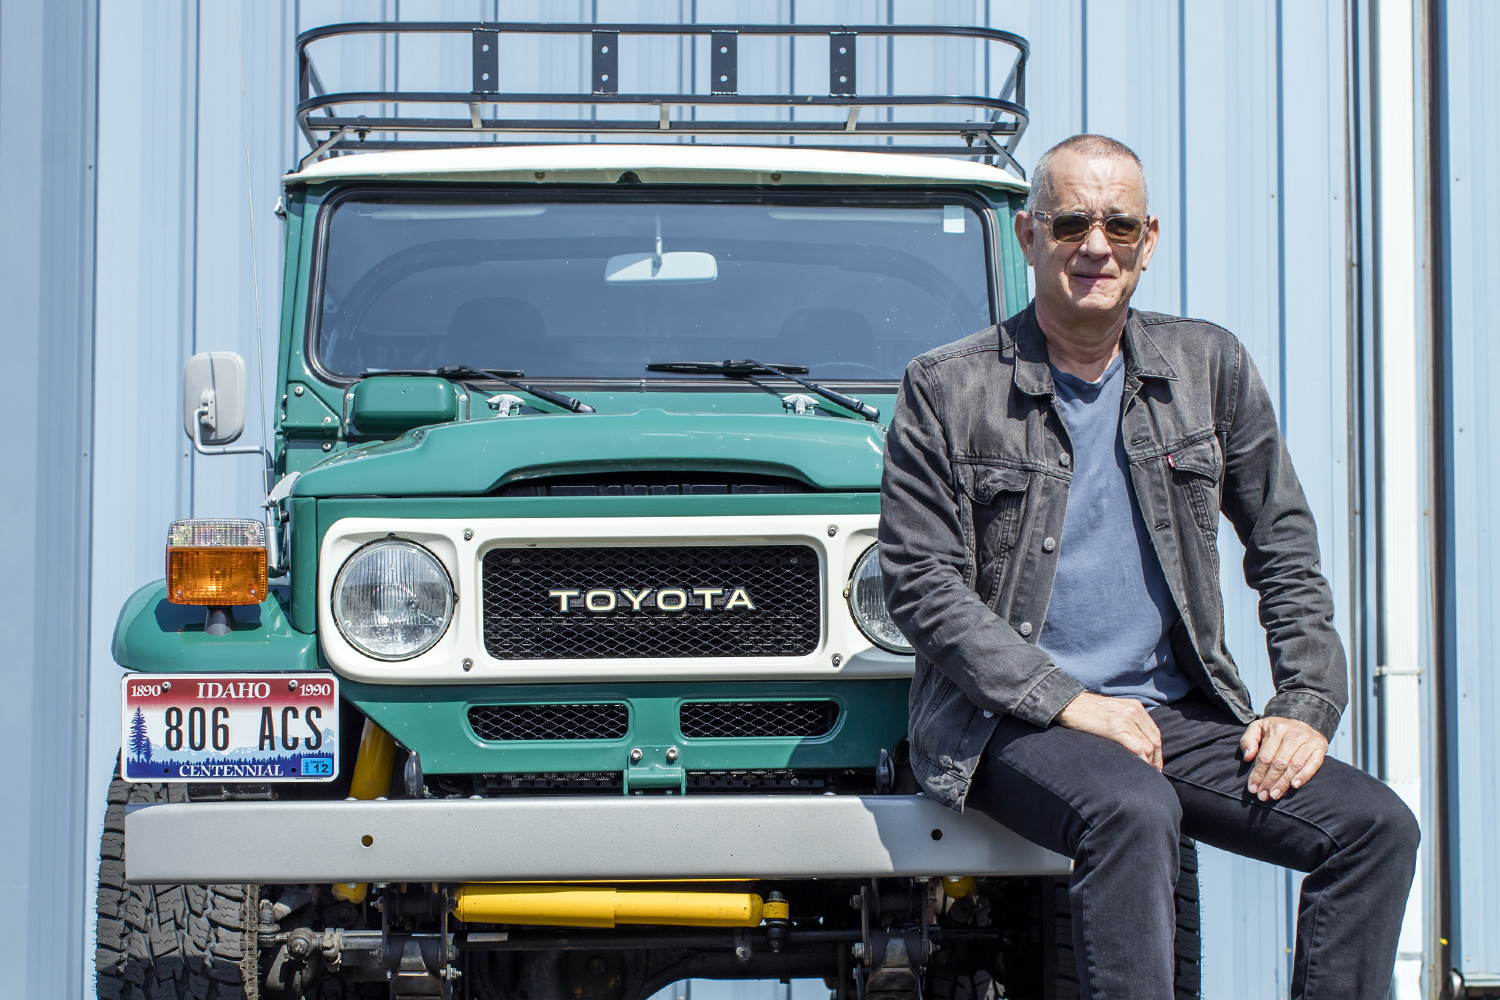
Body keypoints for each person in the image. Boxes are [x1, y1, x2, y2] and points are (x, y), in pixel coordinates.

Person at [879, 134, 1418, 1000]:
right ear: (1029, 235)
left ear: (1148, 239)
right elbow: (921, 582)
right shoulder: (946, 389)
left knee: (1375, 829)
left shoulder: (1210, 368)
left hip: (1175, 715)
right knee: (1134, 808)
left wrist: (1307, 705)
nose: (1097, 246)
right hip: (1012, 725)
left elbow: (1283, 544)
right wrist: (1072, 702)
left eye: (1119, 225)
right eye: (1071, 224)